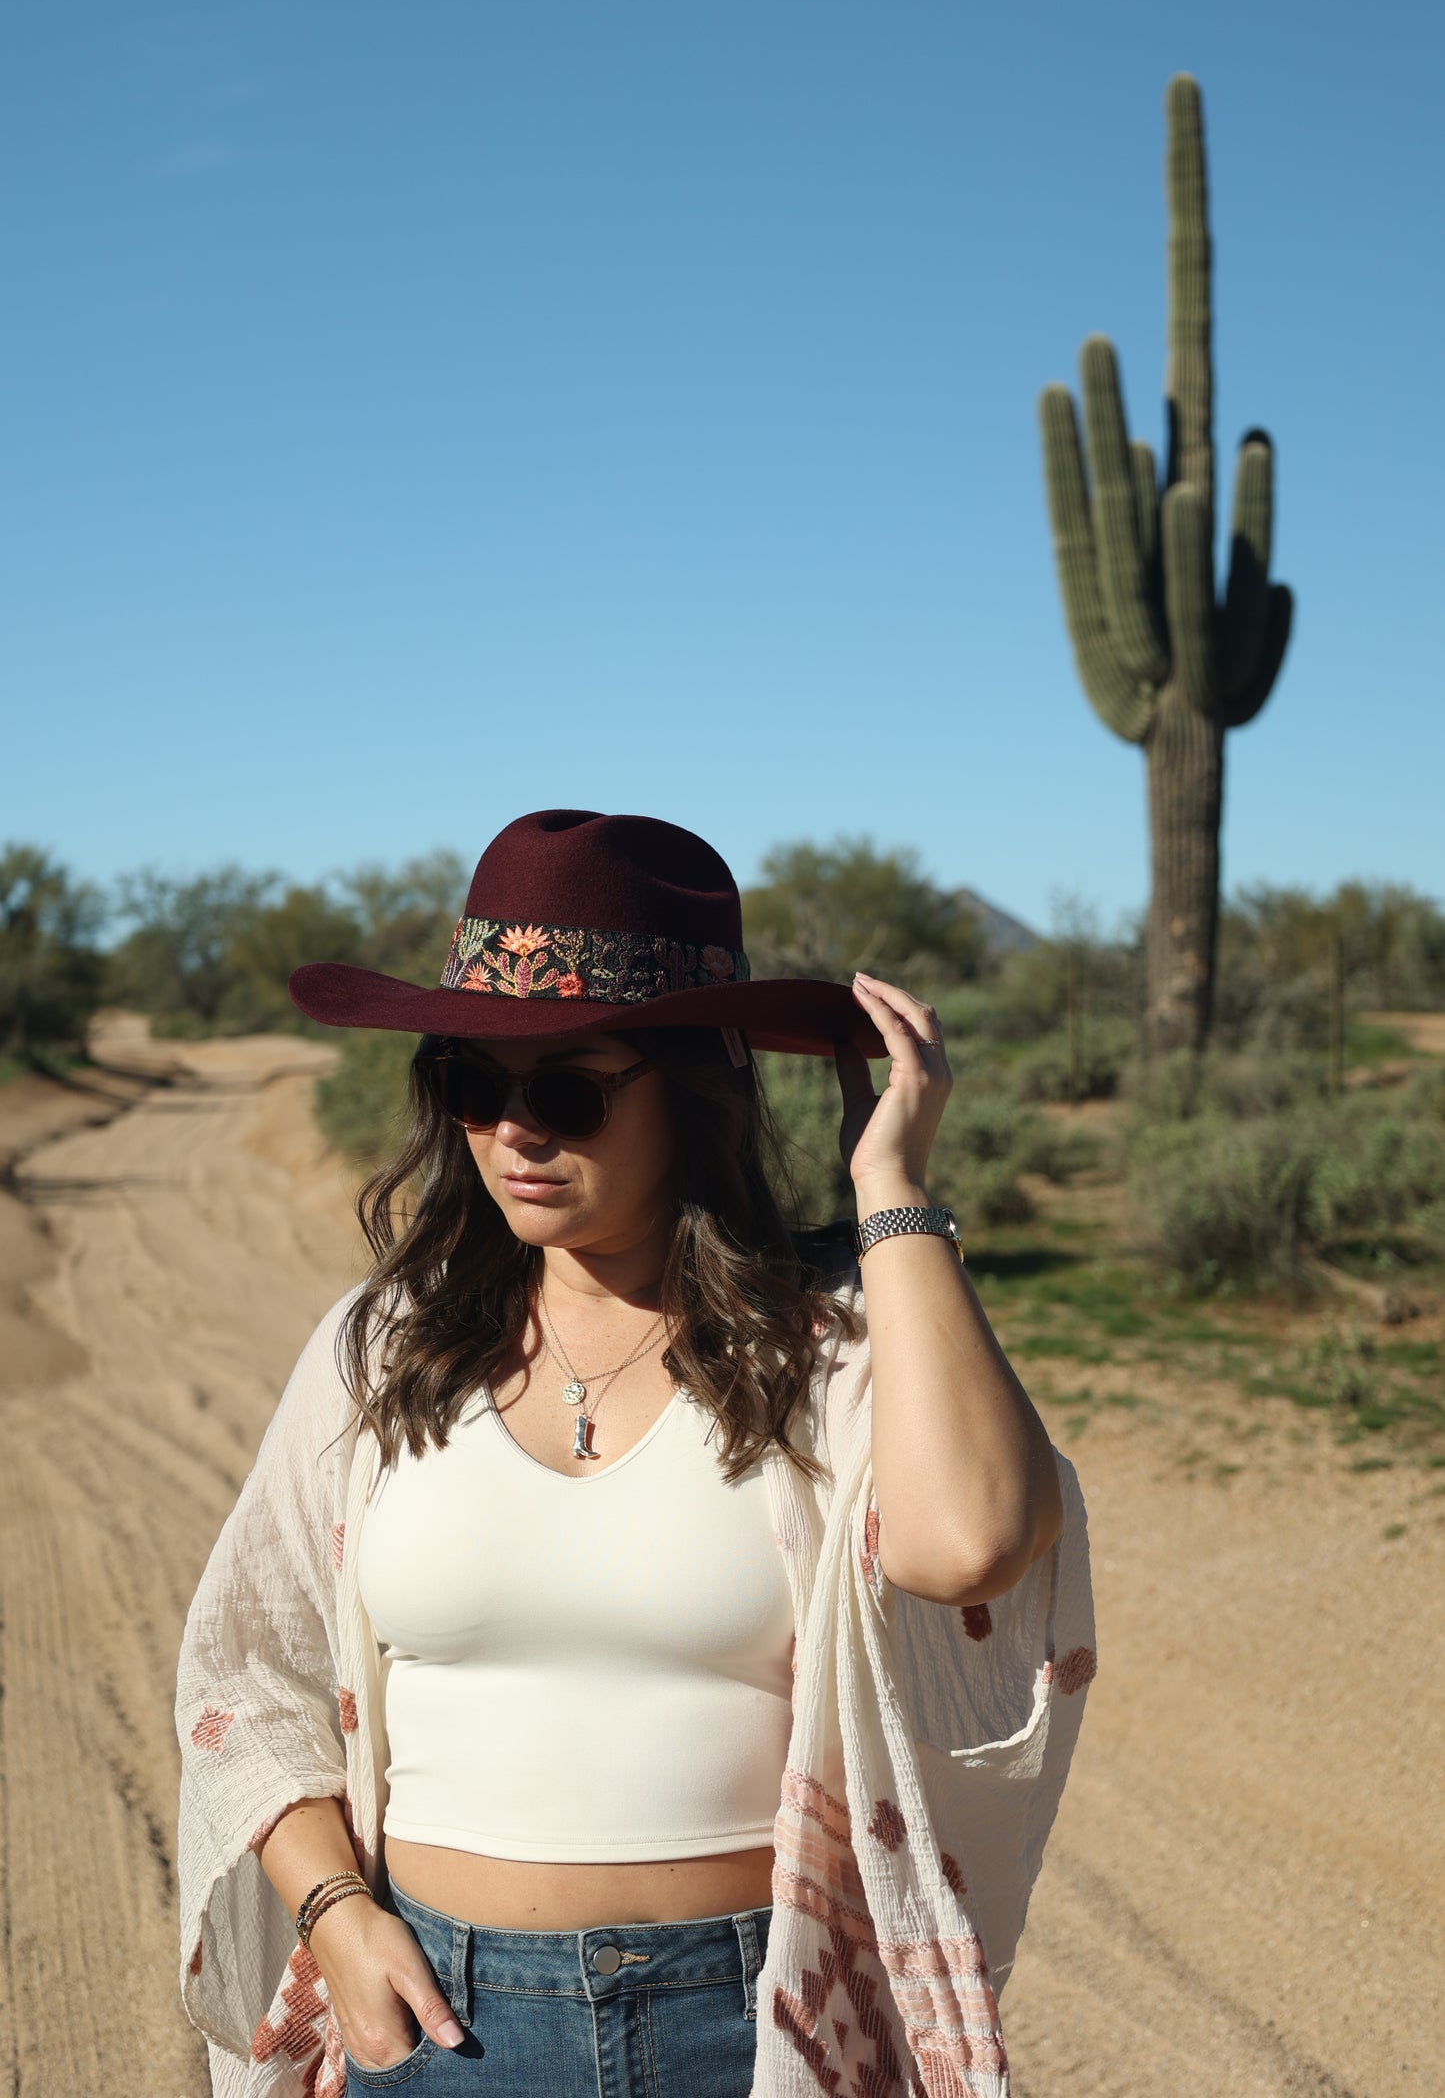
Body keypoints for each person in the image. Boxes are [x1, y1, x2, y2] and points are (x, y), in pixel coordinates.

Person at [175, 808, 1095, 2098]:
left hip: (748, 2025)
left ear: (697, 1085)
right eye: (473, 1086)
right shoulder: (380, 1350)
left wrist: (894, 1189)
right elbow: (249, 1671)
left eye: (567, 1089)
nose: (513, 1134)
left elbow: (975, 1543)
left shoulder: (831, 1341)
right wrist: (338, 1914)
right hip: (434, 2021)